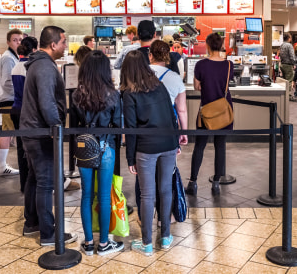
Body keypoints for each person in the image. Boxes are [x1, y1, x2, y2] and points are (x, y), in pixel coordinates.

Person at [20, 25, 77, 246]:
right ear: (53, 44)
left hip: (33, 130)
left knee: (35, 179)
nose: (65, 46)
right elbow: (47, 102)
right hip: (40, 132)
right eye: (63, 42)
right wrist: (56, 127)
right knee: (45, 183)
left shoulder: (40, 64)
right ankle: (48, 233)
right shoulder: (44, 67)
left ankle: (32, 223)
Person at [121, 50, 180, 256]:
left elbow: (130, 129)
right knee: (165, 190)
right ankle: (165, 237)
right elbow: (171, 115)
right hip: (168, 144)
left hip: (145, 148)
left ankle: (146, 243)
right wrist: (176, 142)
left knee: (147, 195)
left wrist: (130, 158)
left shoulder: (129, 94)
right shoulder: (160, 86)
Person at [72, 50, 124, 256]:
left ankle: (88, 243)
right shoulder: (113, 95)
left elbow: (74, 127)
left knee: (86, 196)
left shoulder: (76, 95)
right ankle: (104, 244)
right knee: (103, 197)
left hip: (84, 149)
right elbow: (118, 126)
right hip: (106, 149)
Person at [187, 32, 234, 197]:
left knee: (199, 146)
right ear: (221, 45)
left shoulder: (201, 65)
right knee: (220, 146)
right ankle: (216, 183)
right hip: (224, 110)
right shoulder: (229, 65)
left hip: (206, 110)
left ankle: (193, 183)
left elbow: (196, 87)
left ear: (207, 45)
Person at [11, 36, 38, 192]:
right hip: (26, 110)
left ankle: (25, 185)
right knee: (31, 149)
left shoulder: (16, 66)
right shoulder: (29, 67)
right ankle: (31, 184)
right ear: (33, 50)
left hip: (17, 108)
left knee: (21, 148)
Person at [0, 29, 24, 176]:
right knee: (7, 132)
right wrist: (21, 92)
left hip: (10, 98)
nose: (18, 42)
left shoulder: (14, 56)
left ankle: (2, 165)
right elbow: (8, 82)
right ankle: (1, 166)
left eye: (20, 39)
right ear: (8, 42)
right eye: (15, 40)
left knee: (9, 132)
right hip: (8, 98)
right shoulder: (8, 58)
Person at [279, 33, 297, 102]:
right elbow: (292, 56)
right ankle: (289, 96)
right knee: (289, 81)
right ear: (289, 38)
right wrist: (294, 63)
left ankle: (285, 94)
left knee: (284, 81)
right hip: (288, 65)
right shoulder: (289, 45)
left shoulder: (282, 45)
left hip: (282, 64)